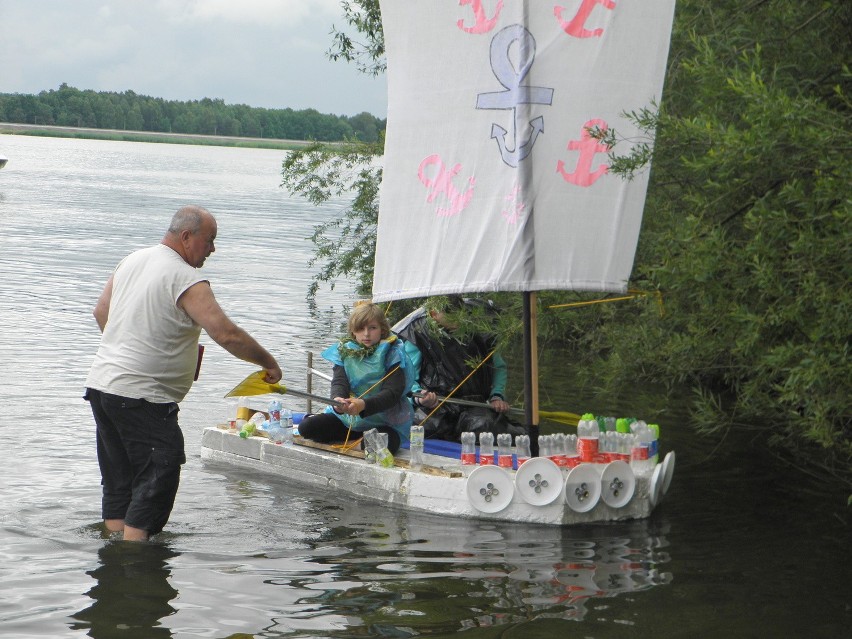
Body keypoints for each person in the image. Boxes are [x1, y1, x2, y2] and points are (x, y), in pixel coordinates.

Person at [84, 205, 282, 542]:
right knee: (157, 478)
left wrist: (127, 351)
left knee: (120, 477)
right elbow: (226, 334)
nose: (213, 249)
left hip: (103, 386)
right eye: (210, 241)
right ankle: (135, 566)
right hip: (143, 398)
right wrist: (268, 363)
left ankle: (114, 558)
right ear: (187, 237)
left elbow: (100, 311)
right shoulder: (186, 277)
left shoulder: (133, 260)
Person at [393, 297, 525, 442]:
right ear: (433, 314)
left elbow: (498, 367)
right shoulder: (418, 337)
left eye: (460, 311)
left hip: (473, 405)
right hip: (436, 404)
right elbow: (406, 374)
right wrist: (420, 396)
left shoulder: (481, 334)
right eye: (449, 312)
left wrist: (497, 396)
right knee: (415, 428)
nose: (456, 317)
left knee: (484, 426)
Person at [299, 302, 414, 454]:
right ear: (353, 331)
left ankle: (356, 444)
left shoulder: (393, 353)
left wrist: (363, 405)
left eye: (372, 328)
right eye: (360, 329)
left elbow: (392, 393)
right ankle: (359, 442)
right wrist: (338, 400)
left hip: (384, 421)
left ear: (382, 329)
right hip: (349, 419)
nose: (366, 334)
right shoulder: (345, 351)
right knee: (306, 428)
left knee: (385, 442)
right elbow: (340, 381)